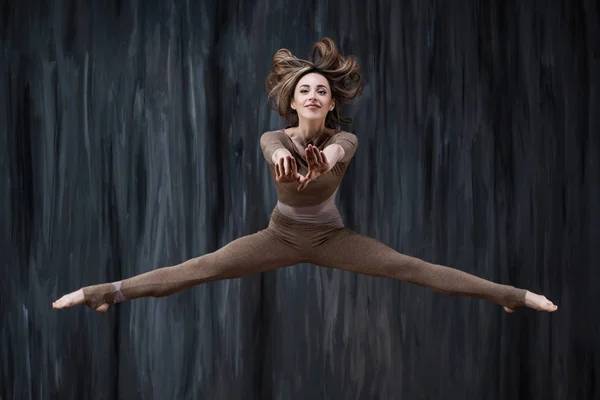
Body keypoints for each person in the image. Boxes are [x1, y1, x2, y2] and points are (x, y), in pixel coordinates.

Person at [53, 38, 557, 314]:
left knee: (412, 268)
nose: (313, 95)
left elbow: (338, 149)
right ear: (292, 99)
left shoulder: (346, 140)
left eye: (322, 90)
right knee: (198, 268)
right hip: (280, 235)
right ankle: (102, 293)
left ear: (332, 101)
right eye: (305, 90)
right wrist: (285, 160)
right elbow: (274, 150)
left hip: (332, 238)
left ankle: (512, 297)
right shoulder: (273, 138)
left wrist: (325, 160)